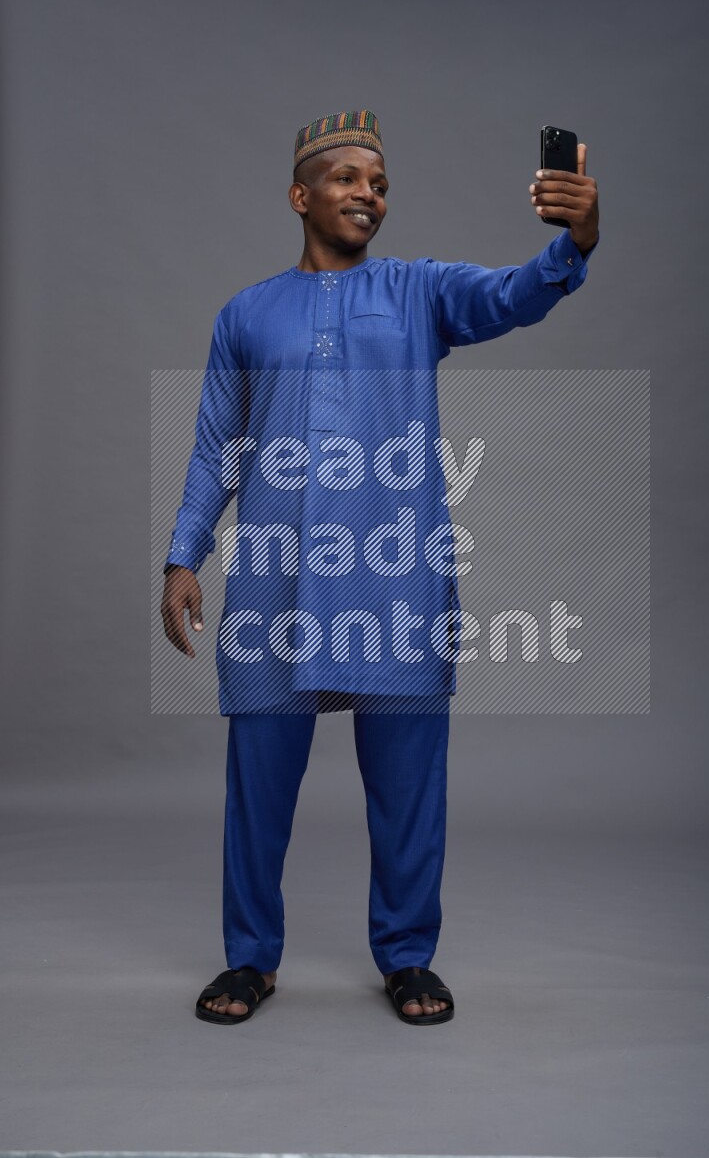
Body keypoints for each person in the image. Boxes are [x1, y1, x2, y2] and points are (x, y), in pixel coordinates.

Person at [160, 109, 599, 1026]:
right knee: (258, 786)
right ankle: (250, 959)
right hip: (277, 584)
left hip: (392, 579)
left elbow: (512, 296)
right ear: (300, 195)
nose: (371, 194)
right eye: (351, 177)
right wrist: (182, 555)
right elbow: (216, 449)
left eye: (382, 183)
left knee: (408, 788)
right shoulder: (246, 313)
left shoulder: (419, 292)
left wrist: (574, 243)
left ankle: (407, 957)